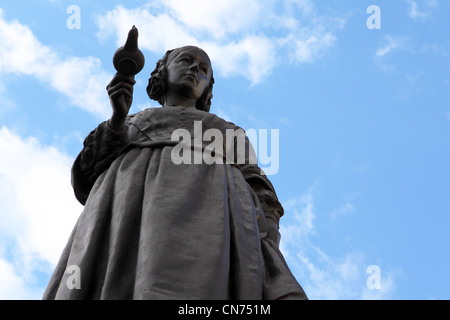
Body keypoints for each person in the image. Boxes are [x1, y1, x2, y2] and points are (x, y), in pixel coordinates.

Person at [43, 46, 307, 300]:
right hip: (131, 209)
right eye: (185, 60)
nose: (195, 69)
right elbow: (87, 175)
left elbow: (258, 184)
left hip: (213, 215)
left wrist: (269, 238)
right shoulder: (131, 121)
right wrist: (116, 119)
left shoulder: (227, 130)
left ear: (208, 87)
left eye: (204, 69)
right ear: (162, 72)